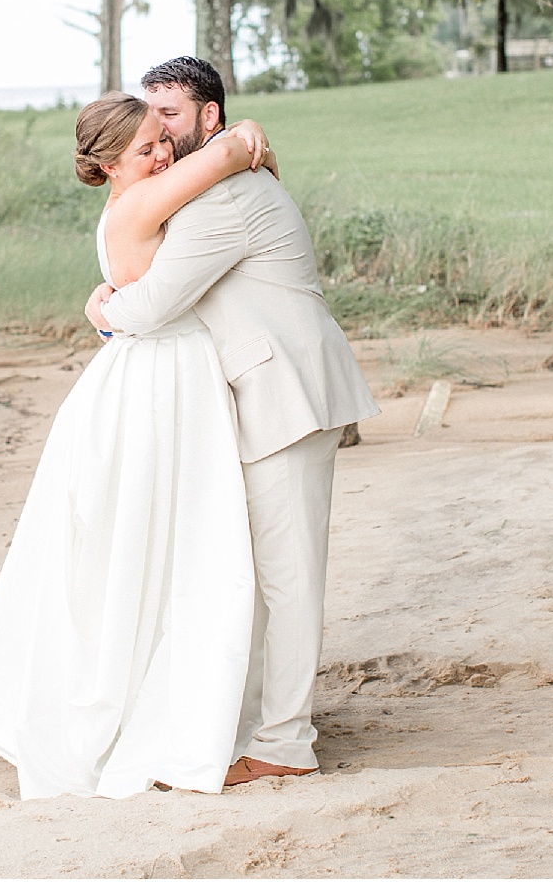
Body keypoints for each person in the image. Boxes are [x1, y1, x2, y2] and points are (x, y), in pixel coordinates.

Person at [0, 93, 278, 798]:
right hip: (162, 380)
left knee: (166, 541)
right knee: (171, 541)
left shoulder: (134, 202)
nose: (162, 155)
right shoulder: (140, 203)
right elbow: (224, 153)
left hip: (157, 371)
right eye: (145, 149)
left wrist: (103, 310)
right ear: (107, 166)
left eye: (163, 138)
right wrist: (244, 131)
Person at [87, 56, 379, 788]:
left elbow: (157, 302)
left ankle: (286, 743)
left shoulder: (224, 199)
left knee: (288, 580)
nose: (158, 132)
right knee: (248, 577)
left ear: (210, 118)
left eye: (170, 117)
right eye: (150, 118)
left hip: (287, 395)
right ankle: (248, 724)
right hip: (256, 399)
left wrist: (103, 310)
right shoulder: (203, 187)